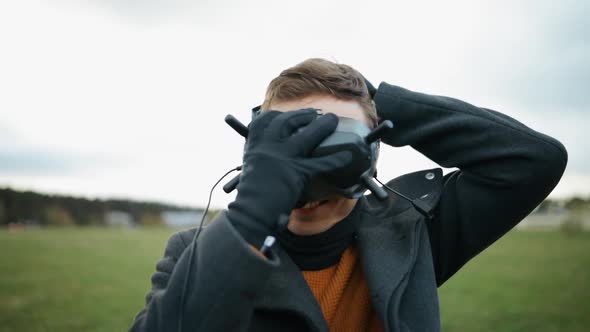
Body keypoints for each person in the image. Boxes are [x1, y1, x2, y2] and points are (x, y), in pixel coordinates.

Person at [129, 58, 567, 331]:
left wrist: (375, 103)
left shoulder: (412, 235)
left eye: (336, 150)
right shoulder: (195, 252)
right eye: (290, 146)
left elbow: (533, 160)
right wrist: (253, 212)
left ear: (372, 157)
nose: (311, 175)